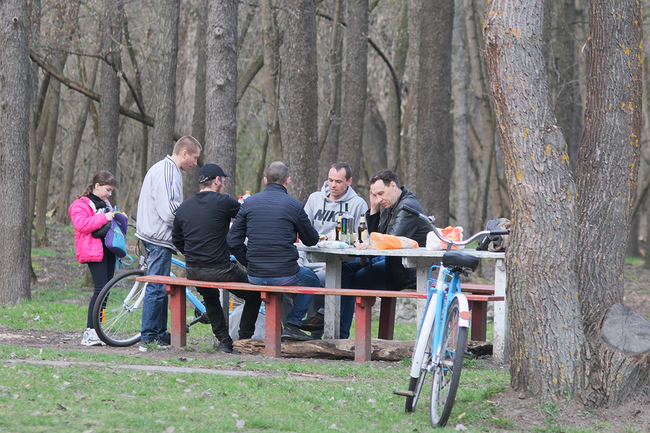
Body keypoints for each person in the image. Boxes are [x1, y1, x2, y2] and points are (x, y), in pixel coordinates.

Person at [172, 164, 262, 354]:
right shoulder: (224, 201)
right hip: (221, 269)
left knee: (210, 297)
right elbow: (248, 216)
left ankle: (224, 341)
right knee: (255, 295)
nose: (223, 184)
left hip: (193, 270)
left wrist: (190, 253)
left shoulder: (184, 206)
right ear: (217, 181)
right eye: (223, 180)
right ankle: (244, 340)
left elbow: (176, 238)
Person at [227, 161, 321, 341]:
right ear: (288, 181)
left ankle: (276, 332)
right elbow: (312, 240)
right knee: (312, 281)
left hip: (255, 275)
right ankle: (293, 324)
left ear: (265, 180)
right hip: (285, 274)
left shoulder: (248, 204)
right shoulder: (294, 206)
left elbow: (232, 240)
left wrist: (248, 262)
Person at [136, 136, 202, 352]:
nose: (195, 163)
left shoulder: (166, 169)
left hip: (157, 237)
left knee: (162, 286)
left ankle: (160, 333)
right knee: (156, 287)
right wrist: (190, 226)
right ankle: (148, 337)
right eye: (194, 158)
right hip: (157, 238)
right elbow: (169, 211)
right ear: (184, 153)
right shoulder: (167, 171)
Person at [302, 162, 368, 338]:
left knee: (328, 280)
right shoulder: (314, 199)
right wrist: (299, 259)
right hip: (310, 260)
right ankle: (294, 329)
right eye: (330, 180)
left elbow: (363, 240)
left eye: (338, 181)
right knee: (294, 279)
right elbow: (301, 232)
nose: (333, 185)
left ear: (349, 181)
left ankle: (328, 335)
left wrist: (337, 262)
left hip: (339, 264)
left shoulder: (357, 204)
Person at [351, 168, 430, 291]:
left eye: (381, 193)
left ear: (393, 185)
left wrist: (366, 252)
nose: (379, 199)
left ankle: (337, 303)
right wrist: (374, 208)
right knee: (347, 268)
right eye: (375, 195)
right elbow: (377, 237)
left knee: (357, 279)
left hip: (409, 271)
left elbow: (388, 243)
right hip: (395, 264)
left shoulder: (406, 207)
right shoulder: (392, 205)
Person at [69, 171, 119, 346]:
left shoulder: (106, 203)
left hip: (109, 251)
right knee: (100, 290)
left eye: (111, 191)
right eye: (107, 190)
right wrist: (104, 217)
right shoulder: (80, 205)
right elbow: (82, 225)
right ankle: (90, 332)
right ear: (97, 186)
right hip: (94, 252)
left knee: (106, 291)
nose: (109, 194)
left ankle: (99, 330)